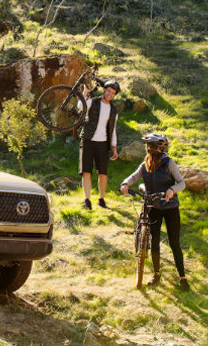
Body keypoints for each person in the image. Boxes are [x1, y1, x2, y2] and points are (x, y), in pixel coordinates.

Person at [120, 131, 189, 290]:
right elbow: (133, 177)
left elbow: (181, 183)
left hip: (170, 207)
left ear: (157, 148)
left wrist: (172, 190)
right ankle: (156, 274)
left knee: (174, 242)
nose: (147, 148)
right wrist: (125, 184)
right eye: (147, 145)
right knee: (155, 241)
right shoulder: (145, 163)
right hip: (153, 206)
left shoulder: (169, 163)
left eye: (149, 145)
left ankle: (182, 276)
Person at [78, 79, 120, 210]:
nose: (110, 94)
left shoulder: (114, 111)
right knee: (86, 171)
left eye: (113, 93)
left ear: (114, 95)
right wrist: (85, 92)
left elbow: (113, 130)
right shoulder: (93, 101)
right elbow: (80, 106)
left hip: (103, 144)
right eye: (108, 91)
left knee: (103, 173)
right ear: (104, 90)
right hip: (87, 140)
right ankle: (87, 200)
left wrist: (114, 148)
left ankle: (101, 199)